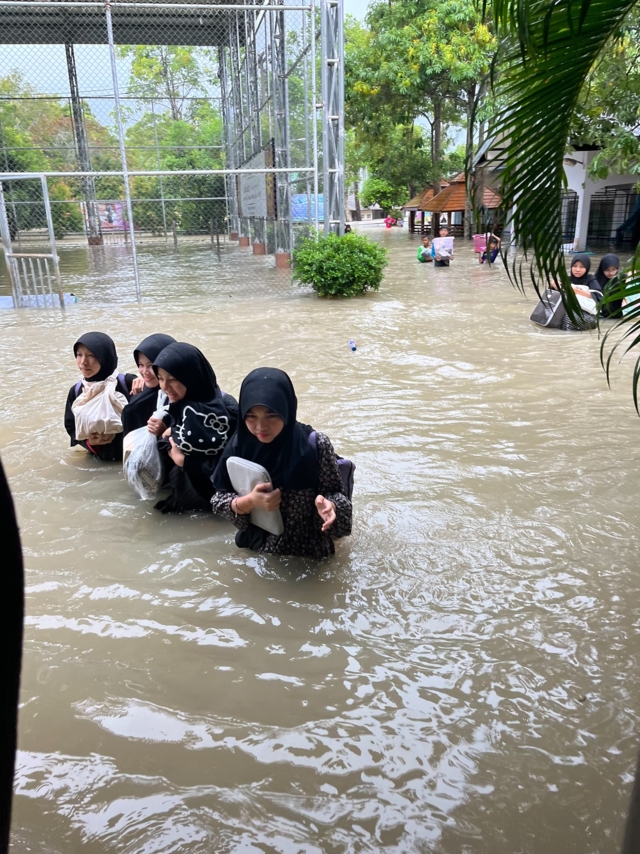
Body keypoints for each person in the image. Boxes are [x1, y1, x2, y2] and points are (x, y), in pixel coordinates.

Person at [211, 367, 352, 559]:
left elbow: (337, 494)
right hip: (257, 549)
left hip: (309, 551)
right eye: (251, 416)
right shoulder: (238, 446)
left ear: (287, 409)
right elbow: (218, 500)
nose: (261, 426)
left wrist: (330, 506)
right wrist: (249, 502)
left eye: (271, 415)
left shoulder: (315, 445)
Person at [152, 342, 238, 513]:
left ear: (192, 377)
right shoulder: (181, 405)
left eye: (173, 379)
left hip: (212, 504)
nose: (164, 387)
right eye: (160, 379)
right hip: (184, 495)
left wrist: (183, 460)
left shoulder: (226, 412)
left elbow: (228, 466)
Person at [64, 332, 136, 462]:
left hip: (131, 460)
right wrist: (89, 443)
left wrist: (147, 382)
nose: (83, 362)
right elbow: (71, 428)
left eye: (91, 355)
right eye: (79, 355)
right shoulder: (77, 392)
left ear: (104, 357)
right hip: (98, 459)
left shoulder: (129, 384)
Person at [122, 333, 176, 436]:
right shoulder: (138, 395)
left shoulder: (180, 396)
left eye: (151, 365)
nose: (145, 371)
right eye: (141, 365)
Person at [560, 253, 599, 331]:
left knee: (568, 318)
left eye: (582, 267)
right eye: (575, 266)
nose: (577, 270)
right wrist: (554, 285)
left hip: (588, 315)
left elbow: (597, 296)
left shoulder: (591, 279)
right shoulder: (567, 279)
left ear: (587, 268)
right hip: (567, 312)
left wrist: (576, 291)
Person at [593, 253, 622, 318]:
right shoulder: (594, 281)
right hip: (600, 316)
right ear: (602, 269)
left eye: (613, 270)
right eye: (607, 270)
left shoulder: (622, 280)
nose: (611, 273)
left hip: (618, 315)